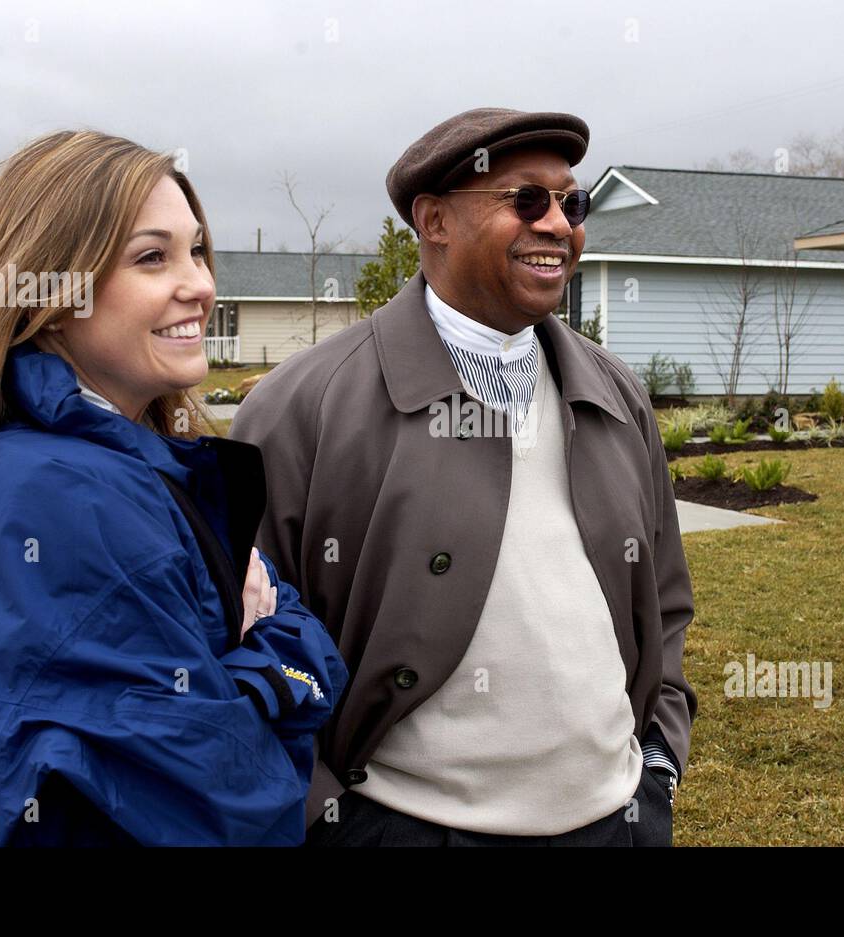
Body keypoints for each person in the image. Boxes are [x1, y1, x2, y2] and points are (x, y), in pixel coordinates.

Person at [231, 107, 697, 846]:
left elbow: (665, 602)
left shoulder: (616, 394)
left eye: (571, 203)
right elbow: (243, 643)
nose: (558, 224)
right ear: (435, 220)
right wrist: (326, 813)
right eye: (526, 200)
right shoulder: (301, 406)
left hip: (620, 821)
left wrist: (660, 760)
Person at [0, 130, 346, 846]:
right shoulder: (58, 497)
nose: (200, 284)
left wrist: (249, 658)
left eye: (196, 250)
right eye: (152, 257)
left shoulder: (123, 467)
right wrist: (273, 650)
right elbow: (230, 805)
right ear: (53, 295)